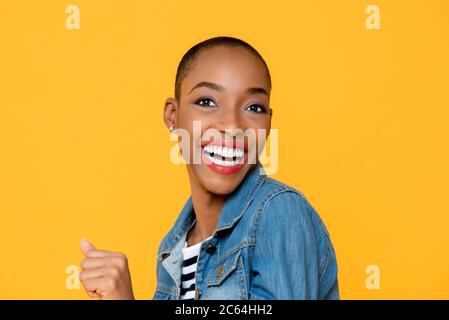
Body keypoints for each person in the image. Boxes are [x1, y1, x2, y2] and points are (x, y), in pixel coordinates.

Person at [78, 36, 339, 300]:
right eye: (207, 102)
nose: (232, 125)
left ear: (268, 123)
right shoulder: (173, 249)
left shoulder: (278, 211)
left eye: (254, 107)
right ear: (172, 115)